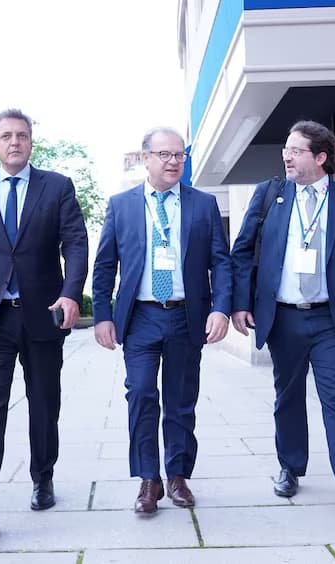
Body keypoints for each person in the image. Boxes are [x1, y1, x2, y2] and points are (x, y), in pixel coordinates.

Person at [230, 120, 335, 526]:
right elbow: (242, 251)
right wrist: (240, 303)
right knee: (288, 397)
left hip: (334, 320)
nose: (287, 157)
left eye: (296, 151)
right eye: (286, 149)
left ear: (320, 157)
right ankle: (291, 467)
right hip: (284, 318)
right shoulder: (270, 195)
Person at [0, 108, 88, 534]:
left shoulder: (57, 187)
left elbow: (76, 243)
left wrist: (70, 293)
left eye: (22, 135)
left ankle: (42, 476)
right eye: (7, 136)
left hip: (42, 315)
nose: (15, 142)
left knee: (44, 403)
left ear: (31, 143)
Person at [92, 127, 231, 514]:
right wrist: (102, 316)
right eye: (165, 155)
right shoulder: (121, 206)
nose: (173, 162)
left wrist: (221, 308)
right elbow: (104, 266)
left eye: (179, 155)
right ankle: (148, 480)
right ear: (145, 158)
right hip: (141, 317)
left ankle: (178, 476)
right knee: (140, 393)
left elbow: (221, 262)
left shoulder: (203, 205)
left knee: (181, 399)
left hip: (187, 316)